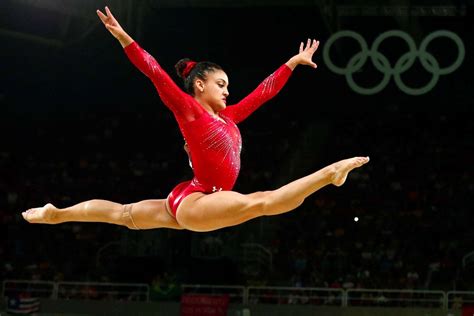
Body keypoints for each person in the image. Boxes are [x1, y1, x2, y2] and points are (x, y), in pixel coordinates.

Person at [22, 6, 369, 232]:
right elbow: (155, 72)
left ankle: (57, 213)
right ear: (199, 84)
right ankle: (329, 174)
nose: (227, 91)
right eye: (221, 84)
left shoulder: (229, 117)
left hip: (190, 195)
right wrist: (123, 37)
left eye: (228, 86)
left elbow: (264, 92)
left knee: (122, 214)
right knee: (262, 202)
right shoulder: (189, 110)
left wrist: (291, 64)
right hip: (199, 201)